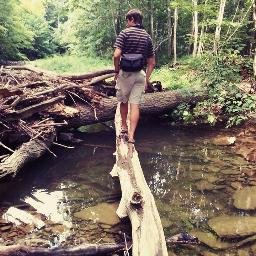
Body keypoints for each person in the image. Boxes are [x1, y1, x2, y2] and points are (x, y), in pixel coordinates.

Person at [113, 9, 155, 144]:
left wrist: (116, 70)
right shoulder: (147, 36)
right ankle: (131, 136)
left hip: (125, 74)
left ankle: (124, 127)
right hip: (140, 75)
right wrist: (146, 79)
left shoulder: (124, 33)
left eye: (127, 20)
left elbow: (116, 55)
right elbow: (151, 63)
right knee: (135, 105)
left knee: (123, 102)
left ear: (131, 19)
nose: (126, 23)